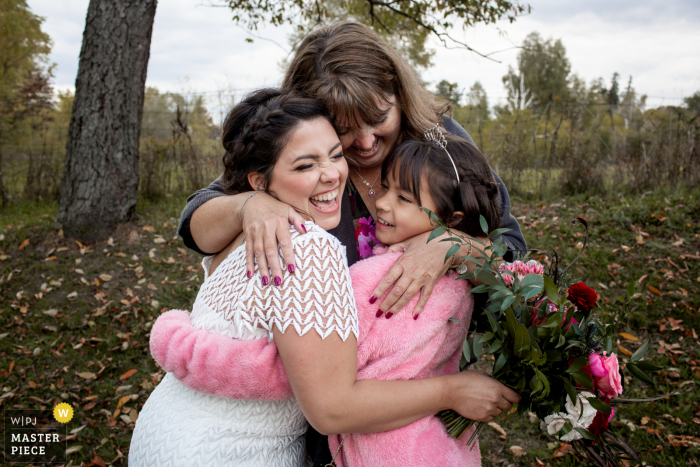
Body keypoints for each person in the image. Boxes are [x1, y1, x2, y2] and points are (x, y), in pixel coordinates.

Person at [177, 21, 526, 465]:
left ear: (399, 94)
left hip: (418, 388)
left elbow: (512, 250)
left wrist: (452, 246)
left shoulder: (439, 144)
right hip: (322, 400)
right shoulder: (310, 157)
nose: (363, 142)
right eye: (344, 129)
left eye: (378, 118)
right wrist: (249, 206)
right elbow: (198, 225)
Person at [150, 132, 511, 466]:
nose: (380, 203)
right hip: (439, 445)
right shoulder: (461, 280)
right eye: (384, 188)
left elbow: (296, 373)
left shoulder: (374, 279)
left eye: (402, 198)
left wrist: (177, 342)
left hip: (384, 450)